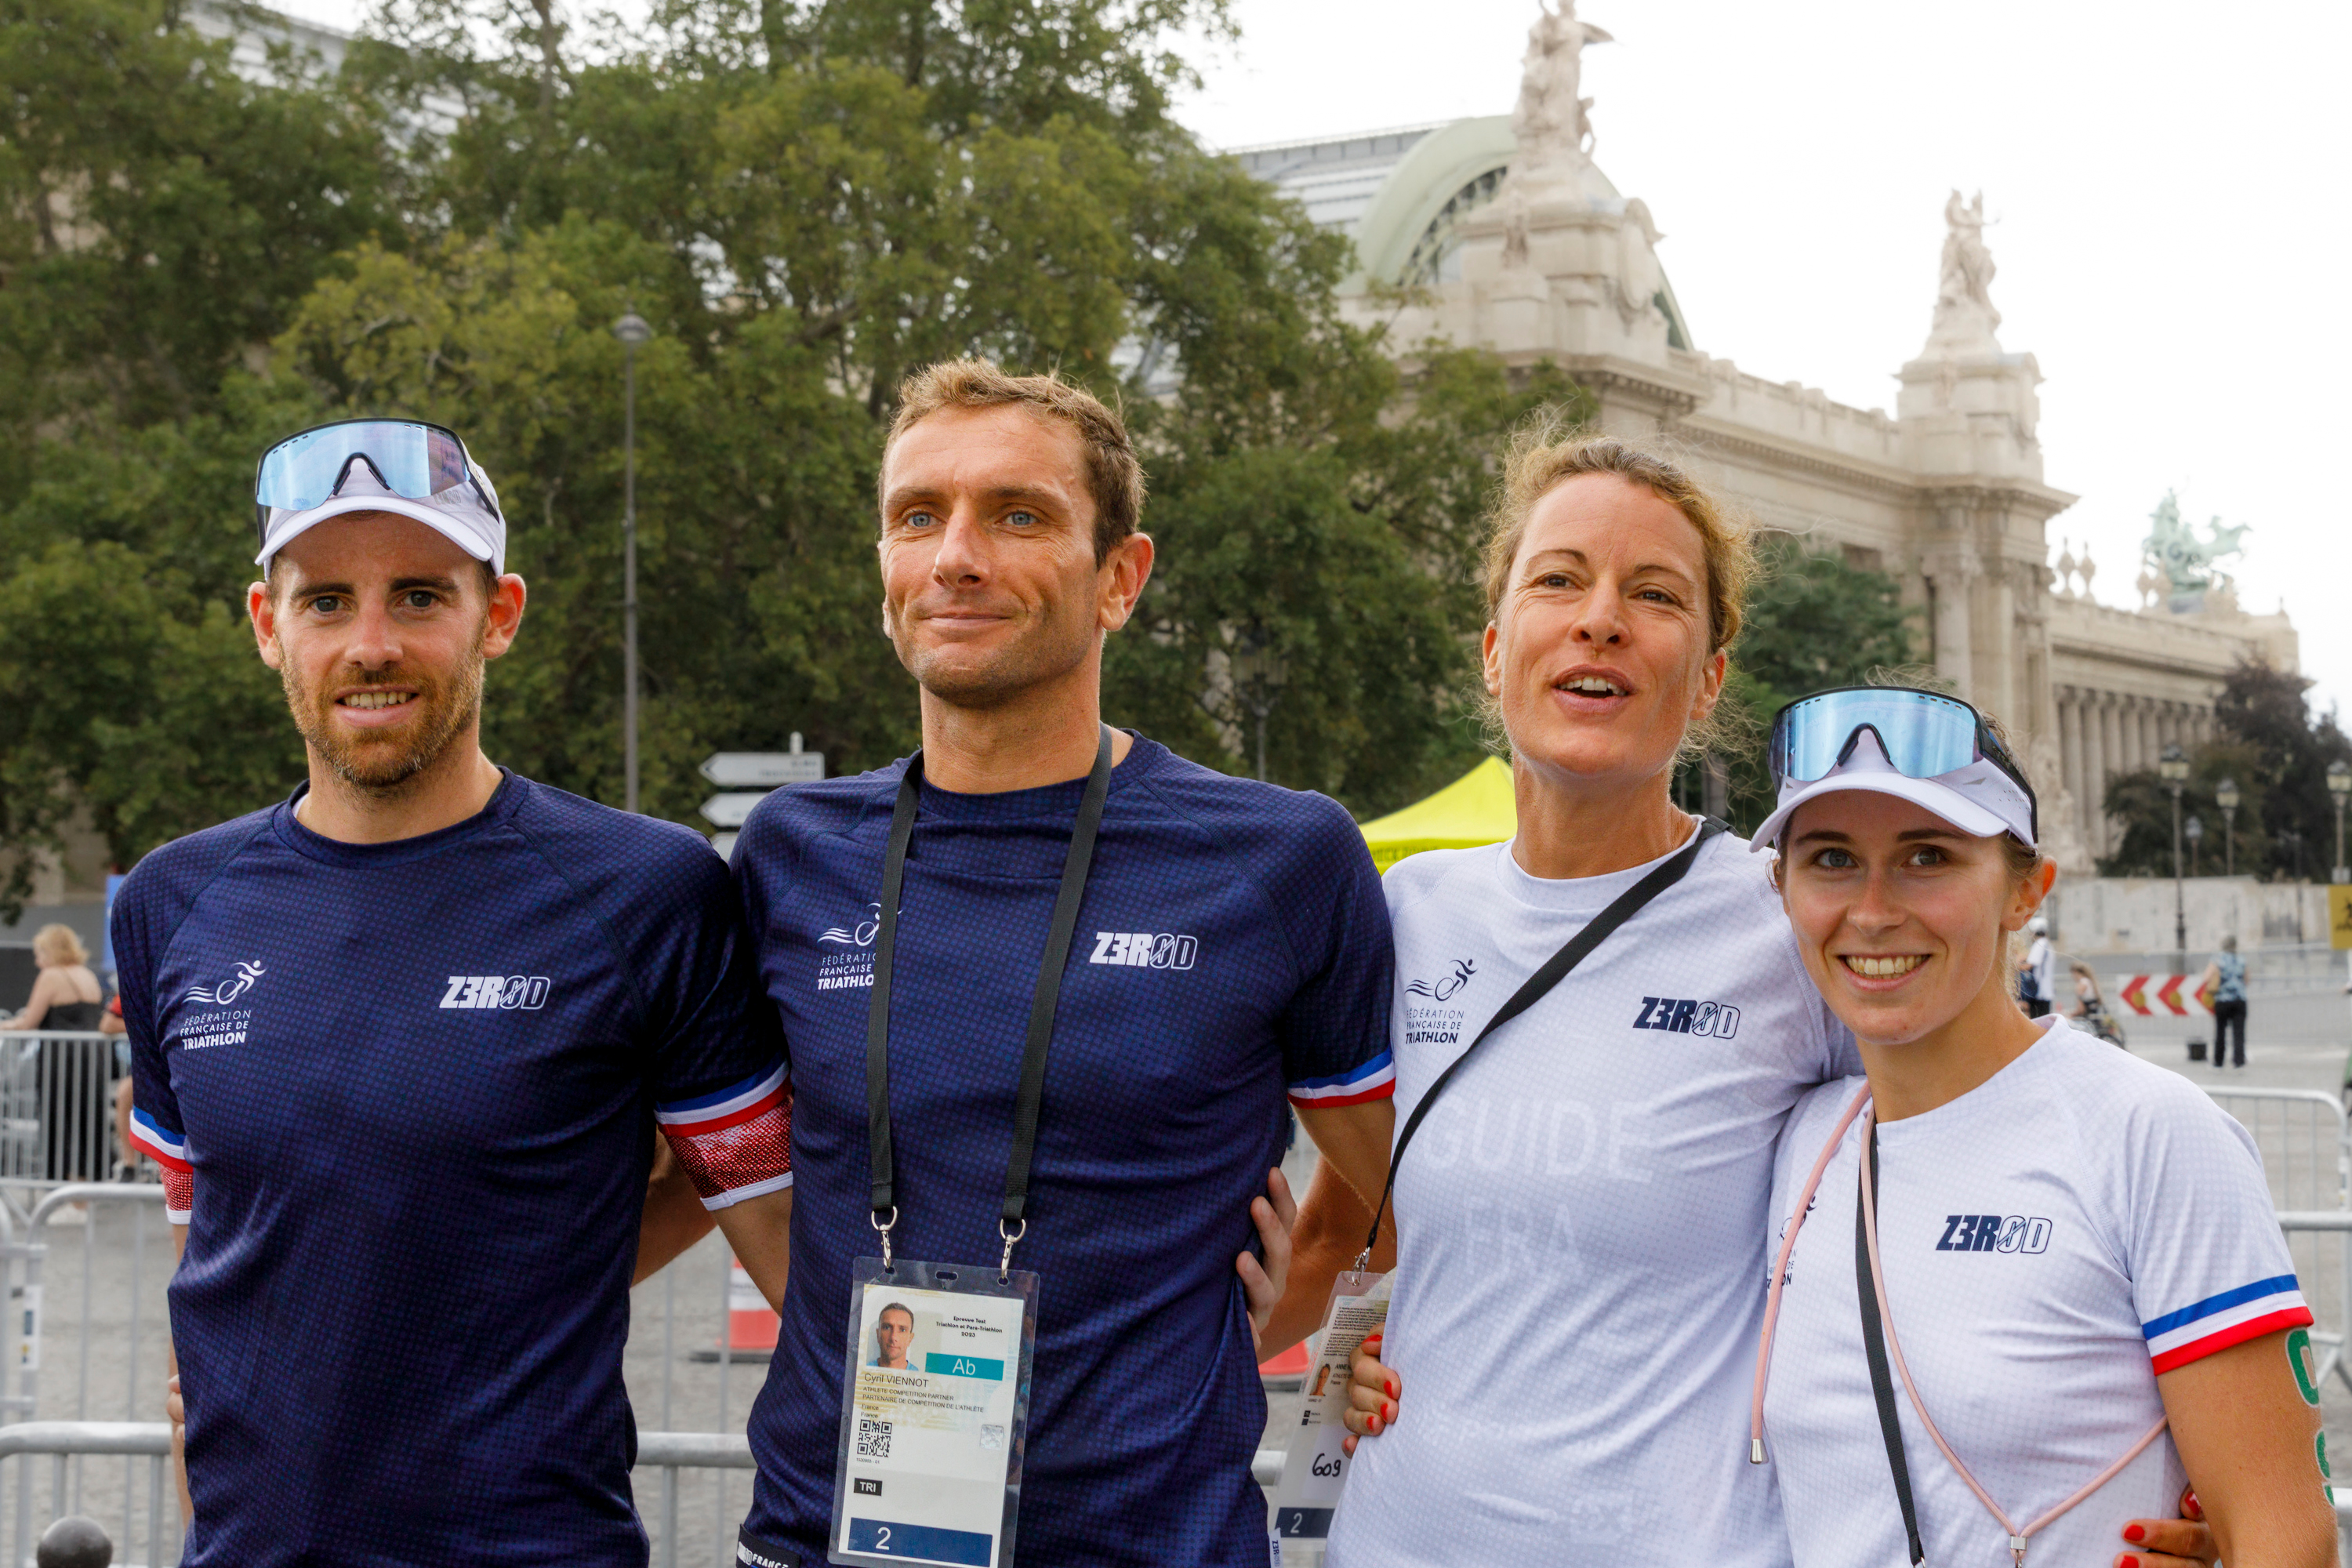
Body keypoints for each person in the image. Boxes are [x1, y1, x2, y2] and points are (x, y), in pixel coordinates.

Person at [1296, 423, 2216, 1568]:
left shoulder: (1795, 926)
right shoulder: (1400, 912)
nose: (1600, 619)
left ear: (1708, 680)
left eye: (1655, 594)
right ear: (1494, 650)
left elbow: (2009, 1171)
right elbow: (1355, 1224)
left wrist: (2165, 1476)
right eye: (1560, 581)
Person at [726, 361, 1398, 1568]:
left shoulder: (1279, 858)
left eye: (1018, 515)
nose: (957, 556)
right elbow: (741, 1185)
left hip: (1151, 1544)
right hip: (817, 1541)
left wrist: (1285, 1323)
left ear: (1121, 580)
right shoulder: (791, 853)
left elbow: (1409, 1187)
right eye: (917, 516)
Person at [113, 419, 795, 1567]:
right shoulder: (172, 901)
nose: (370, 643)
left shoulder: (647, 891)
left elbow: (782, 1234)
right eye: (326, 600)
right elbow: (222, 1257)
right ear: (267, 627)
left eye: (421, 595)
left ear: (501, 615)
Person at [1742, 688, 2331, 1567]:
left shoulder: (2152, 1135)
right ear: (1781, 887)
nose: (1871, 909)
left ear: (2027, 890)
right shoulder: (1799, 1141)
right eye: (1830, 857)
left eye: (1927, 857)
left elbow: (2285, 1536)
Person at [7, 924, 111, 1182]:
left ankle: (64, 1192)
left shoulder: (52, 976)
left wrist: (3, 1025)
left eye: (39, 951)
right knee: (88, 1123)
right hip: (92, 1061)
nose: (36, 959)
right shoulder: (87, 974)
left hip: (61, 1063)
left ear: (50, 950)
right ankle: (85, 1194)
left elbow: (27, 1021)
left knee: (58, 1124)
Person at [2201, 935, 2247, 1069]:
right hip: (2240, 999)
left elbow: (2207, 977)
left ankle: (2219, 1061)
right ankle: (2239, 1061)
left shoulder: (2218, 959)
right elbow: (2247, 979)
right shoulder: (2241, 959)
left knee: (2220, 1032)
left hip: (2223, 1000)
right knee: (2239, 1032)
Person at [2017, 912, 2055, 1018]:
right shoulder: (2047, 943)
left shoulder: (2040, 944)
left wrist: (2013, 967)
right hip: (2046, 990)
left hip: (2040, 992)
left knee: (2038, 1020)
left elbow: (2029, 965)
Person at [871, 1303, 916, 1370]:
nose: (893, 1337)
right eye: (887, 1327)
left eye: (902, 1330)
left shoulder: (920, 1377)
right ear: (878, 1334)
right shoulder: (861, 1372)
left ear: (910, 1338)